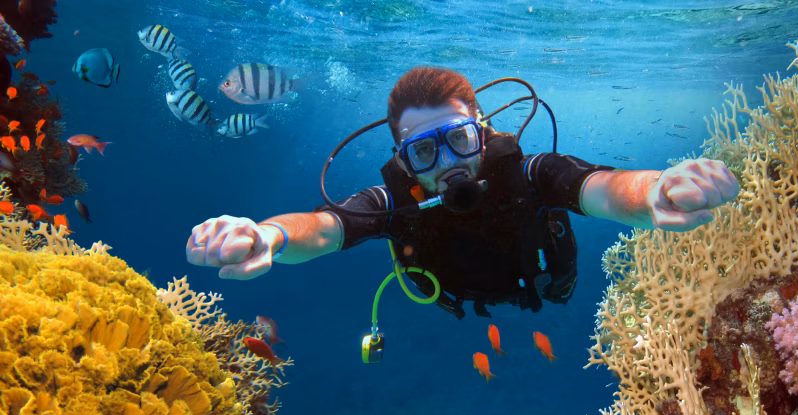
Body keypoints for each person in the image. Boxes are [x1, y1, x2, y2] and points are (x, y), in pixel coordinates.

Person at [186, 67, 739, 319]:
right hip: (452, 300)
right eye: (424, 151)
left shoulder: (529, 172)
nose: (447, 163)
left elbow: (599, 187)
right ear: (403, 158)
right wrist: (270, 234)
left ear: (483, 128)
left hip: (542, 288)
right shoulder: (396, 200)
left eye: (458, 139)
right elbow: (327, 227)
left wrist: (656, 190)